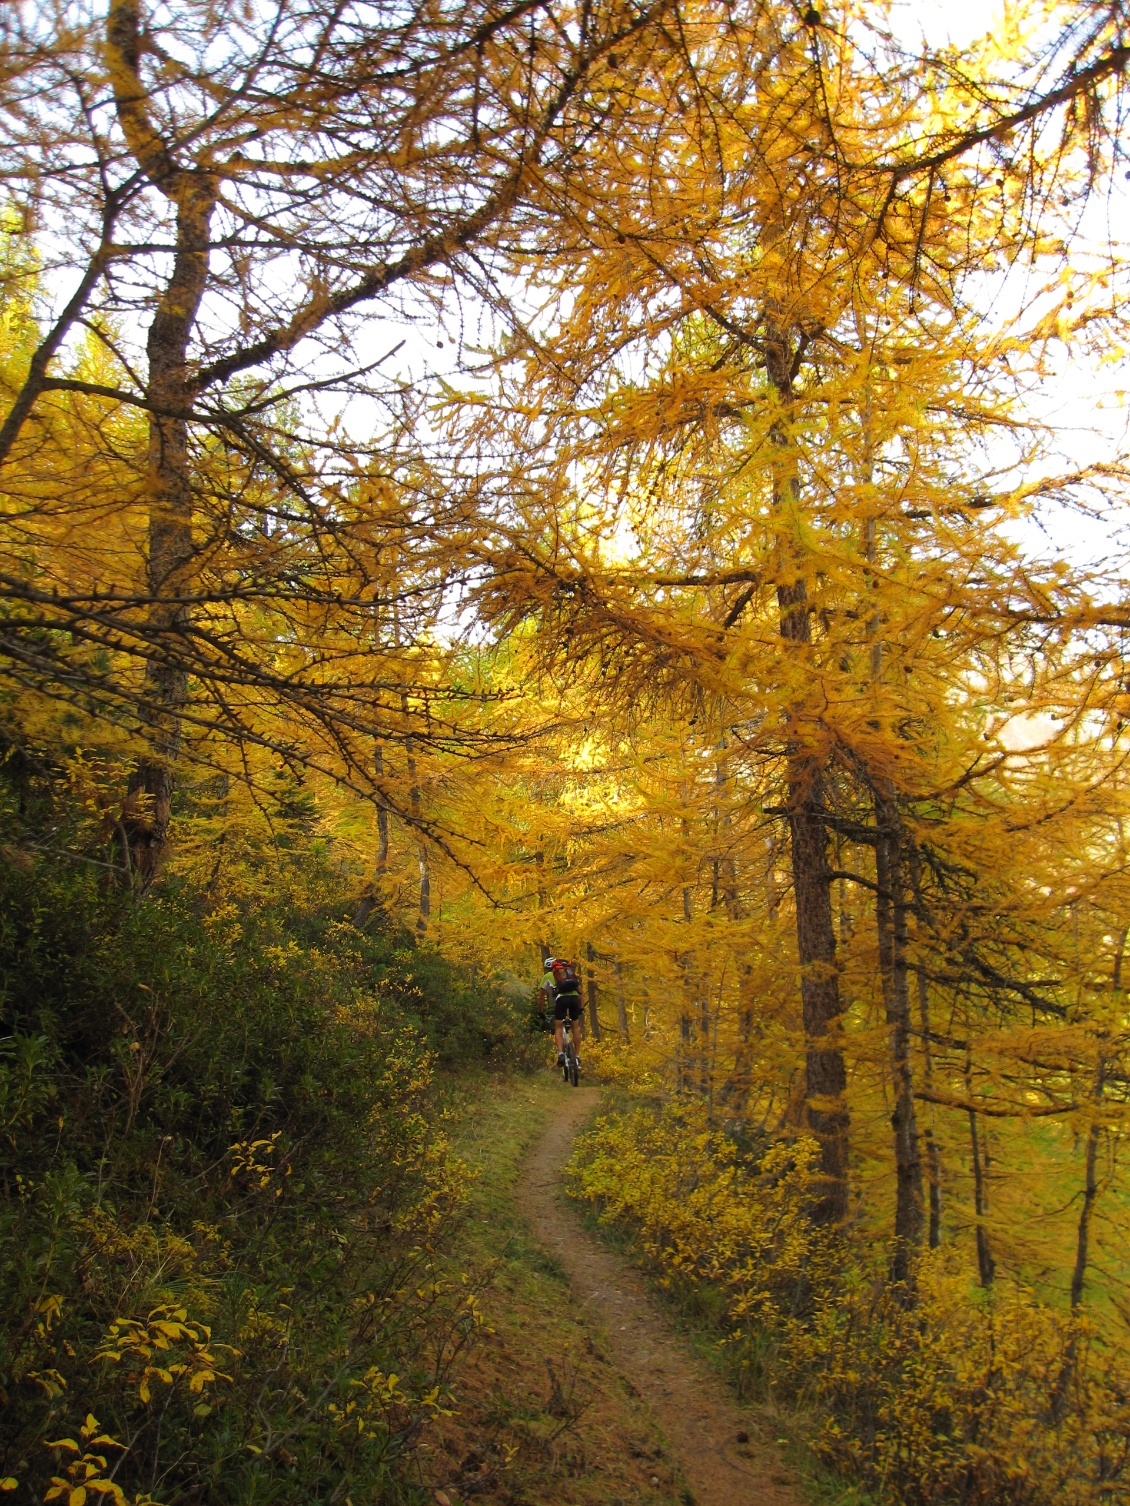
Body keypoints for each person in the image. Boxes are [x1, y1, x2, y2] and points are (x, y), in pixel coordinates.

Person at [541, 956, 582, 1070]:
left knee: (558, 1027)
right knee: (575, 1027)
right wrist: (581, 1008)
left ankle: (560, 1054)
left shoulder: (548, 976)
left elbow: (540, 996)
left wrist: (540, 1011)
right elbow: (580, 992)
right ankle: (577, 1056)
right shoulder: (570, 974)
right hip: (574, 998)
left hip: (561, 1000)